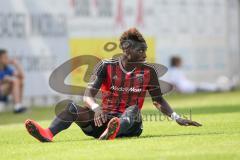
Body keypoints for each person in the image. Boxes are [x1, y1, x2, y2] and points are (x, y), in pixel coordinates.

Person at [25, 28, 201, 142]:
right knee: (70, 107)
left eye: (145, 50)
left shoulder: (149, 72)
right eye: (141, 50)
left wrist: (177, 118)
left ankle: (111, 133)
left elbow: (158, 100)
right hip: (102, 120)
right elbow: (88, 95)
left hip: (130, 125)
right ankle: (47, 134)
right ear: (126, 49)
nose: (145, 55)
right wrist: (96, 108)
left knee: (133, 109)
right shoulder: (106, 66)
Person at [164, 56, 236, 93]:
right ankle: (222, 88)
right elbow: (173, 83)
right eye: (180, 62)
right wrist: (179, 91)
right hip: (188, 88)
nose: (181, 63)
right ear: (176, 62)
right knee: (204, 86)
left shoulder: (176, 70)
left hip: (189, 86)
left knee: (203, 85)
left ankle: (224, 87)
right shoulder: (173, 71)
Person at [0, 49, 26, 113]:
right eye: (5, 57)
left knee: (20, 82)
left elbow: (22, 76)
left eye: (7, 57)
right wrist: (6, 79)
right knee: (14, 81)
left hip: (3, 92)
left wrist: (16, 64)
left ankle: (19, 105)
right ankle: (17, 107)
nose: (7, 59)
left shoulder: (7, 69)